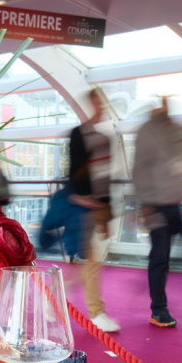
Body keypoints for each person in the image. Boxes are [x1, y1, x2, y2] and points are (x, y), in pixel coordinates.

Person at [132, 96, 182, 328]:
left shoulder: (177, 129)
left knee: (181, 250)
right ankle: (159, 310)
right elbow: (139, 169)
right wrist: (146, 205)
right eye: (160, 103)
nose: (164, 105)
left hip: (174, 204)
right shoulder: (146, 132)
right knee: (160, 257)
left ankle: (152, 278)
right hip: (155, 204)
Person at [68, 88, 120, 333]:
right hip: (82, 206)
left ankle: (57, 296)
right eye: (98, 103)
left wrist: (107, 212)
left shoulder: (105, 138)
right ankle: (96, 313)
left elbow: (105, 176)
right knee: (92, 261)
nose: (102, 107)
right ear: (89, 105)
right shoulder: (78, 134)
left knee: (91, 261)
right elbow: (74, 171)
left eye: (103, 102)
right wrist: (82, 198)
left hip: (99, 204)